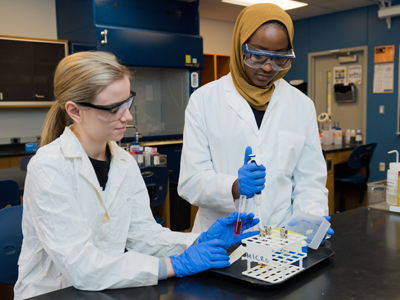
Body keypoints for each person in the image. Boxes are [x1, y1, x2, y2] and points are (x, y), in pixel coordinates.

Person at [14, 51, 259, 300]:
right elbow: (82, 267)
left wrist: (199, 241)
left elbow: (143, 235)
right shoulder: (48, 167)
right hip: (54, 293)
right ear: (75, 111)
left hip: (107, 289)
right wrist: (174, 265)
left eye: (127, 102)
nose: (127, 116)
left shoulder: (123, 163)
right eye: (113, 109)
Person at [178, 3, 334, 237]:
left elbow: (309, 180)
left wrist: (311, 221)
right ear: (240, 47)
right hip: (221, 238)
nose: (268, 67)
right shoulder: (204, 100)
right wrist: (234, 187)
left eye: (279, 58)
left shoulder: (301, 105)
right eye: (257, 55)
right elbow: (191, 181)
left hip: (281, 238)